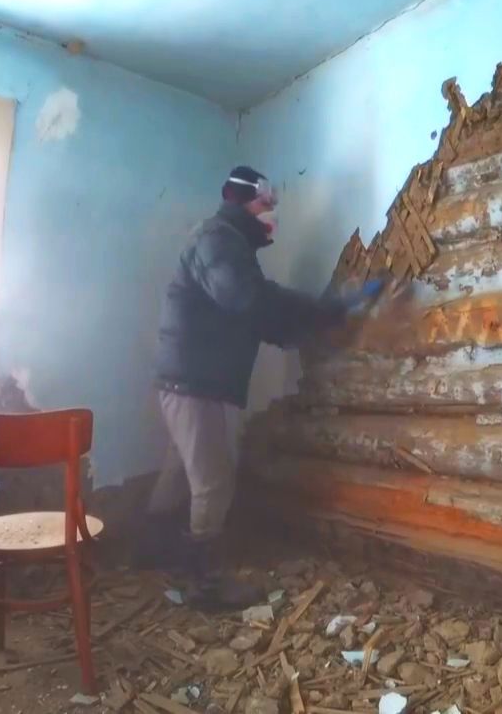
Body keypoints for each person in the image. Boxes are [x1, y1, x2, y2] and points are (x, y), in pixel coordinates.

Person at [138, 165, 382, 609]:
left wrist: (310, 324)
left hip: (190, 380)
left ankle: (152, 551)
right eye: (266, 201)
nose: (272, 211)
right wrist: (324, 309)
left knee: (180, 470)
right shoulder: (218, 240)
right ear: (241, 198)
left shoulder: (229, 245)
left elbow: (252, 316)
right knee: (213, 483)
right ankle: (203, 583)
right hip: (196, 383)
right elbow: (248, 300)